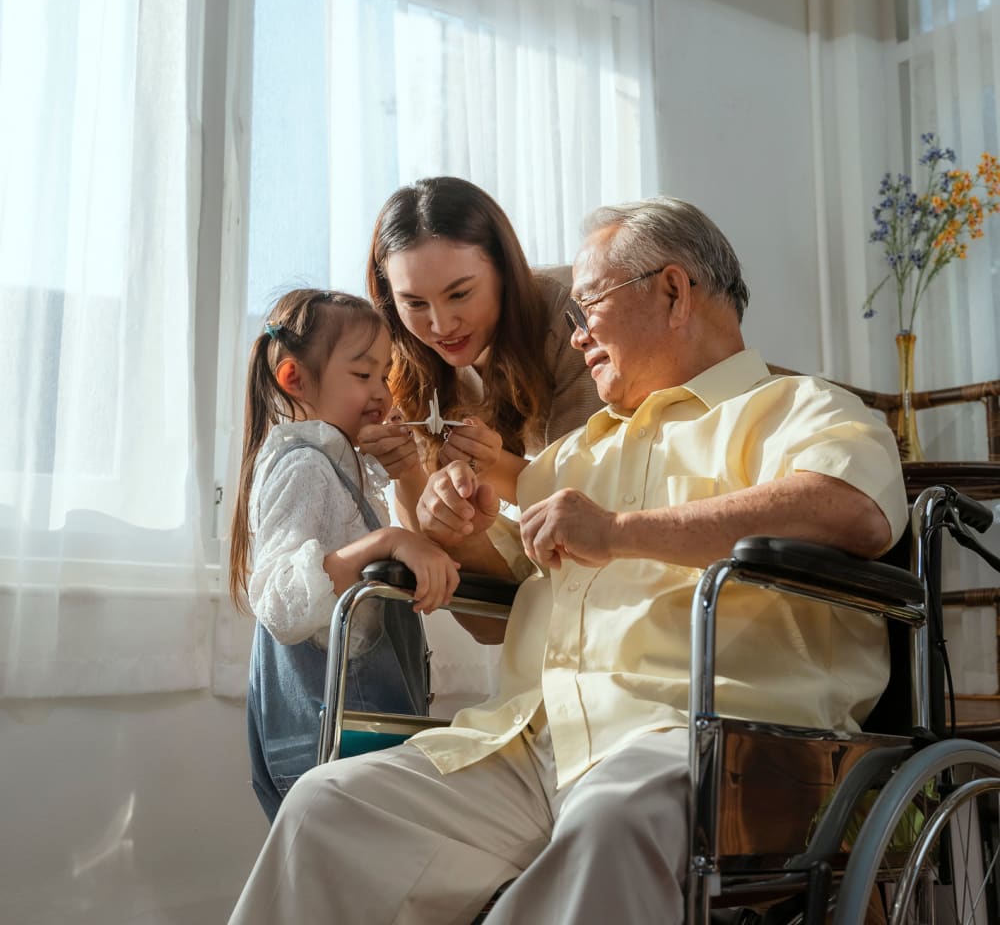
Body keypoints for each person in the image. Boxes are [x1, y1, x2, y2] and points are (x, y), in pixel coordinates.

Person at [228, 199, 907, 922]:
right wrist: (449, 522)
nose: (576, 335)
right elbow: (498, 602)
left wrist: (617, 530)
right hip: (526, 741)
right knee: (327, 808)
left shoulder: (800, 408)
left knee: (611, 825)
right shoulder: (575, 454)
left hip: (697, 736)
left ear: (674, 291)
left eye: (587, 309)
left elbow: (851, 510)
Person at [228, 289, 461, 822]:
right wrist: (387, 542)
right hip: (329, 743)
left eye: (384, 375)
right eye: (363, 376)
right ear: (295, 380)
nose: (381, 391)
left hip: (358, 738)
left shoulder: (336, 469)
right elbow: (283, 603)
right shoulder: (303, 468)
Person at [359, 176, 604, 519]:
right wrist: (406, 470)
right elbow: (428, 535)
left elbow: (590, 496)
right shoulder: (404, 354)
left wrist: (495, 466)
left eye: (459, 294)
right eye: (414, 303)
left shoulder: (574, 320)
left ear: (505, 270)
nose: (441, 326)